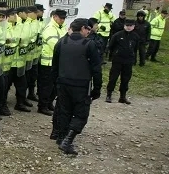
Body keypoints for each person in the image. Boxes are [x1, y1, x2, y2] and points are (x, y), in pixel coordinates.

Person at [51, 18, 102, 155]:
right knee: (81, 114)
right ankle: (67, 140)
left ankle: (61, 137)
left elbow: (54, 66)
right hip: (81, 86)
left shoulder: (62, 42)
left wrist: (55, 84)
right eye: (88, 30)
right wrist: (97, 89)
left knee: (64, 111)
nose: (89, 32)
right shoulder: (89, 45)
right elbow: (96, 69)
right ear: (83, 28)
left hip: (63, 84)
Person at [38, 9, 67, 116]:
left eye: (64, 18)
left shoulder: (61, 27)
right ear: (54, 17)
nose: (63, 20)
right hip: (47, 63)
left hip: (56, 63)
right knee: (46, 86)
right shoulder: (50, 28)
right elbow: (55, 45)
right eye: (61, 18)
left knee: (54, 86)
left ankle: (49, 103)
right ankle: (42, 106)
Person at [105, 19, 139, 105]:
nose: (128, 27)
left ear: (133, 27)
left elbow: (135, 49)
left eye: (130, 26)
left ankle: (122, 96)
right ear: (124, 26)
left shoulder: (135, 36)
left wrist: (134, 59)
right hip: (117, 60)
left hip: (128, 61)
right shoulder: (117, 35)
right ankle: (109, 95)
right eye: (127, 25)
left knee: (126, 79)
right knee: (113, 78)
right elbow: (111, 47)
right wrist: (114, 55)